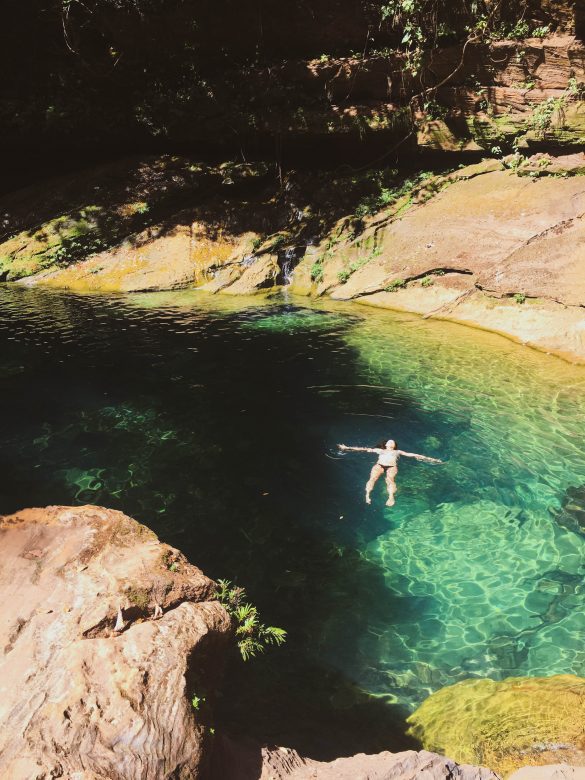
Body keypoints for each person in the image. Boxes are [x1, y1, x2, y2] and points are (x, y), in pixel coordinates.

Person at [338, 439, 443, 507]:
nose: (391, 442)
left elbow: (413, 454)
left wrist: (431, 459)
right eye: (389, 441)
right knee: (372, 479)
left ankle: (391, 496)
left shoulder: (398, 452)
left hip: (391, 467)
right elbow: (364, 449)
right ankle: (367, 495)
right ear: (386, 445)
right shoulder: (379, 450)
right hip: (379, 465)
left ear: (394, 446)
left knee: (390, 480)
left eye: (392, 442)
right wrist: (347, 448)